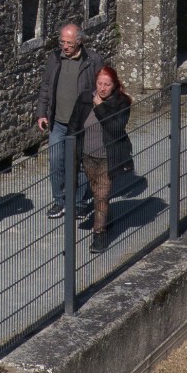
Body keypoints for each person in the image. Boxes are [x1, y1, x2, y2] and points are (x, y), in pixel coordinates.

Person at [33, 20, 101, 220]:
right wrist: (41, 113)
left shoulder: (93, 60)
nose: (64, 46)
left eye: (69, 43)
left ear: (79, 41)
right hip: (58, 122)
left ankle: (79, 203)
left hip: (82, 123)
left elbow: (102, 87)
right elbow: (46, 86)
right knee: (56, 162)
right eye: (62, 42)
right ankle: (59, 201)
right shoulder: (54, 58)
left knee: (80, 163)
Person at [75, 64, 133, 252]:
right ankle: (106, 219)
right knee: (96, 192)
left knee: (101, 195)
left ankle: (99, 235)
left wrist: (100, 107)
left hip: (107, 157)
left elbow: (116, 128)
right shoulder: (85, 98)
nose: (102, 88)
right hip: (87, 156)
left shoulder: (122, 102)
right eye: (100, 83)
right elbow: (74, 125)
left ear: (114, 85)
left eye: (107, 85)